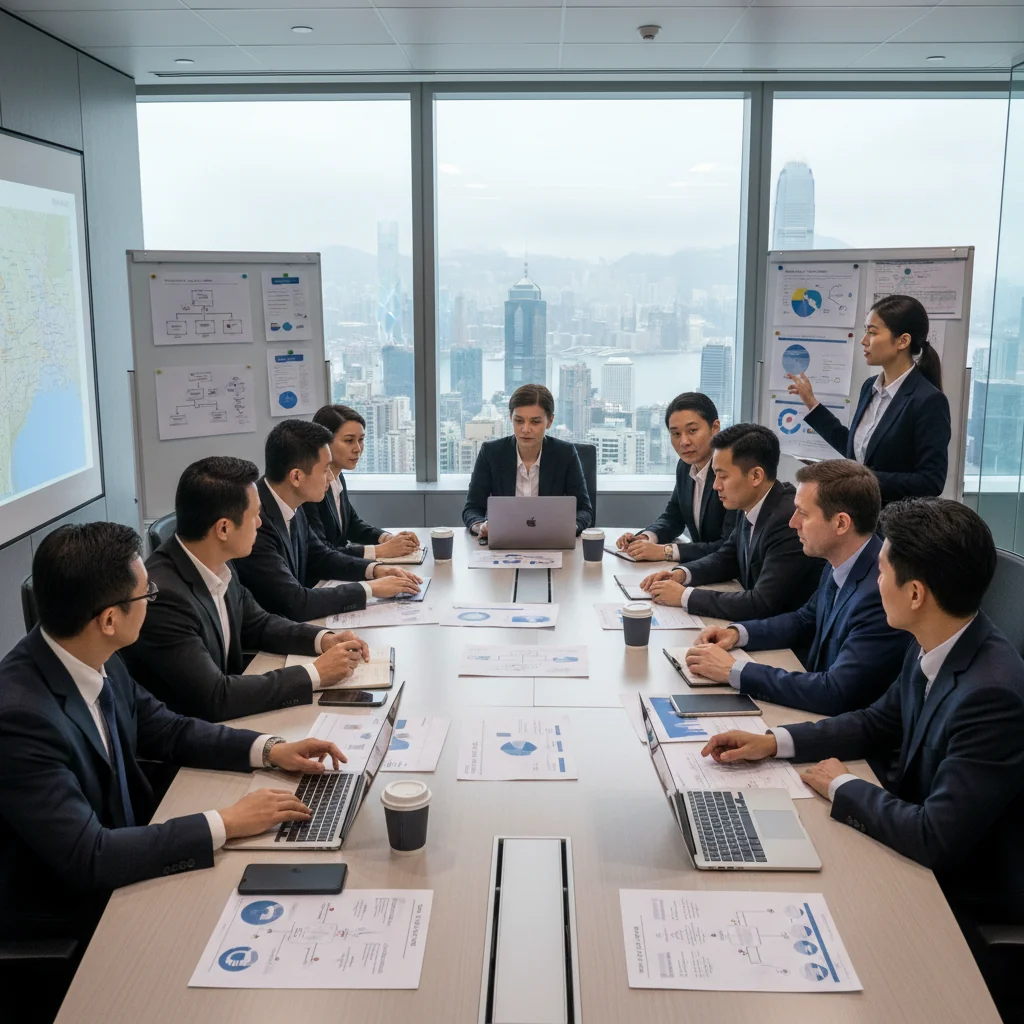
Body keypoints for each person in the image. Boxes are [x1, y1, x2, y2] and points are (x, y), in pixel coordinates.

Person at [0, 522, 348, 945]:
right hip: (73, 911)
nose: (154, 598)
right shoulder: (20, 717)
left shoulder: (90, 651)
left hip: (131, 853)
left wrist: (270, 750)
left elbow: (167, 728)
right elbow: (90, 856)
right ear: (109, 619)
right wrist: (226, 821)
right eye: (146, 594)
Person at [701, 499, 1024, 934]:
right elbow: (876, 722)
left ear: (916, 594)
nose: (875, 581)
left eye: (883, 572)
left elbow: (936, 838)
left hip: (961, 891)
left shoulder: (991, 695)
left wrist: (843, 785)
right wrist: (775, 741)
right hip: (907, 830)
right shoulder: (936, 638)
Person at [124, 456, 373, 722]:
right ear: (223, 528)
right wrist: (315, 673)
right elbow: (216, 696)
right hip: (196, 736)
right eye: (254, 515)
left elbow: (258, 623)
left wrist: (324, 639)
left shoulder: (218, 561)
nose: (260, 523)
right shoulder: (165, 597)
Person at [684, 460, 912, 715]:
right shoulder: (844, 558)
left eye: (803, 513)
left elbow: (835, 692)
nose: (793, 523)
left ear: (841, 524)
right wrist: (738, 634)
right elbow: (804, 619)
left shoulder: (880, 592)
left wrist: (733, 670)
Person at [235, 420, 421, 622]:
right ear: (296, 477)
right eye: (325, 470)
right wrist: (369, 589)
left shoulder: (290, 501)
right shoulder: (256, 523)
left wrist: (375, 570)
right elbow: (295, 602)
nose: (331, 477)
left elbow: (320, 556)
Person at [640, 423, 822, 620]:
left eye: (723, 476)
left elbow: (762, 603)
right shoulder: (751, 504)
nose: (716, 485)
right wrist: (681, 574)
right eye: (715, 476)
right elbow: (727, 558)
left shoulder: (787, 520)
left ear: (756, 476)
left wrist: (685, 596)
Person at [786, 294, 951, 503]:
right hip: (860, 512)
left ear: (903, 341)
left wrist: (861, 479)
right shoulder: (870, 387)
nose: (864, 341)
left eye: (872, 333)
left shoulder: (929, 400)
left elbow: (931, 481)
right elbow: (855, 448)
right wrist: (811, 403)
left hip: (893, 518)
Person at [615, 391, 737, 562]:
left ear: (715, 428)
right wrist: (646, 538)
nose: (684, 442)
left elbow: (728, 547)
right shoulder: (685, 466)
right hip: (701, 567)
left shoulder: (731, 472)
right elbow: (674, 516)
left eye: (692, 431)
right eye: (676, 434)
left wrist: (665, 551)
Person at [462, 383, 594, 537]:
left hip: (550, 539)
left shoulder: (565, 454)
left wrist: (571, 527)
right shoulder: (491, 452)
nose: (525, 429)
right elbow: (472, 508)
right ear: (510, 418)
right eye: (519, 421)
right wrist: (480, 526)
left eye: (535, 422)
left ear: (550, 421)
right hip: (504, 540)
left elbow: (584, 510)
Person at [305, 404, 421, 559]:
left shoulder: (338, 476)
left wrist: (388, 539)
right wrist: (380, 551)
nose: (358, 449)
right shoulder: (310, 487)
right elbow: (320, 552)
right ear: (324, 442)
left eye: (360, 440)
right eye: (349, 441)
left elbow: (353, 525)